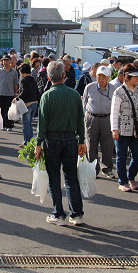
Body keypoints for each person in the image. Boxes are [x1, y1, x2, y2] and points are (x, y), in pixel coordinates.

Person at [35, 61, 86, 226]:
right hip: (71, 138)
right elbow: (80, 120)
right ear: (64, 75)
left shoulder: (47, 96)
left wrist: (38, 144)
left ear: (49, 77)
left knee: (54, 178)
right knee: (71, 178)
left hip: (52, 140)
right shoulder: (74, 95)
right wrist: (82, 141)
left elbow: (42, 124)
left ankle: (58, 213)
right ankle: (76, 214)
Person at [111, 64, 138, 192]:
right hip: (122, 129)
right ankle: (123, 181)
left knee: (137, 155)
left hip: (136, 129)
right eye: (134, 76)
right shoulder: (119, 91)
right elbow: (115, 112)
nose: (137, 79)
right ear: (127, 77)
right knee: (121, 156)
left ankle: (131, 176)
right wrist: (114, 129)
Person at [82, 65, 116, 178]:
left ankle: (107, 168)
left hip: (107, 118)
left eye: (103, 76)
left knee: (108, 145)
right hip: (92, 118)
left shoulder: (113, 89)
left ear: (108, 77)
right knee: (91, 145)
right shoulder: (89, 87)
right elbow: (84, 103)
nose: (101, 79)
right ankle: (93, 169)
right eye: (99, 76)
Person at [0, 55, 19, 130]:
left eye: (7, 60)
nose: (5, 62)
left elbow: (15, 83)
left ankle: (9, 125)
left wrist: (16, 93)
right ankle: (2, 125)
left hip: (10, 94)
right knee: (1, 110)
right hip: (0, 93)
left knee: (9, 110)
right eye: (4, 61)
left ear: (10, 61)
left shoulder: (14, 71)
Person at [19, 63, 39, 147]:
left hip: (27, 104)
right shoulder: (33, 79)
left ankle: (27, 142)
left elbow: (24, 92)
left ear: (22, 72)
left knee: (26, 124)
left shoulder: (23, 80)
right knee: (29, 123)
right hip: (35, 103)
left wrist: (17, 98)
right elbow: (37, 92)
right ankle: (30, 141)